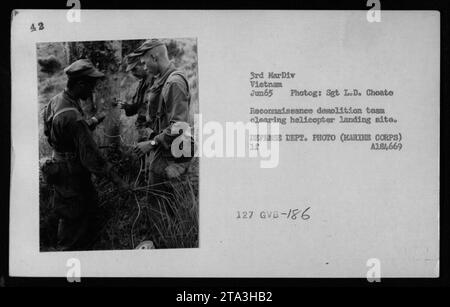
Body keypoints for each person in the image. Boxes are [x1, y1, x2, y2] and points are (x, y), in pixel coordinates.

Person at [42, 59, 129, 251]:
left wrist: (96, 119)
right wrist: (119, 182)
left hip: (60, 167)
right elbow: (92, 158)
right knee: (73, 219)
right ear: (80, 84)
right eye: (91, 86)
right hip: (72, 175)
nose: (92, 90)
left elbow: (57, 134)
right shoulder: (72, 116)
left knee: (82, 210)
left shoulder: (57, 100)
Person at [132, 39, 192, 184]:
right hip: (167, 150)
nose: (145, 68)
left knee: (158, 202)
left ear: (154, 57)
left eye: (145, 63)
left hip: (171, 156)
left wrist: (152, 143)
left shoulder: (174, 82)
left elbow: (179, 126)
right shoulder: (163, 79)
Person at [118, 52, 155, 141]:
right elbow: (138, 107)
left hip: (153, 132)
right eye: (131, 70)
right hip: (143, 131)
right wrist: (126, 106)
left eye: (135, 69)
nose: (133, 73)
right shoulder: (141, 83)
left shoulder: (156, 82)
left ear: (144, 64)